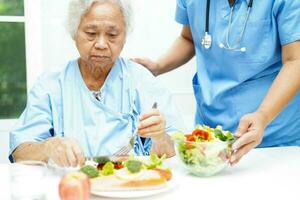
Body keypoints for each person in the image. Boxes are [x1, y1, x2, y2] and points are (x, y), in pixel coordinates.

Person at [9, 0, 183, 167]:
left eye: (112, 35)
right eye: (91, 33)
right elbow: (19, 153)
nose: (101, 44)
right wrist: (47, 147)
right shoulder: (50, 84)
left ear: (124, 37)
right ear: (74, 32)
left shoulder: (142, 80)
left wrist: (161, 138)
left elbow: (174, 155)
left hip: (131, 188)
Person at [133, 0, 300, 165]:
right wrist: (158, 66)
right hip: (210, 135)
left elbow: (295, 60)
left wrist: (263, 115)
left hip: (273, 134)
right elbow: (189, 38)